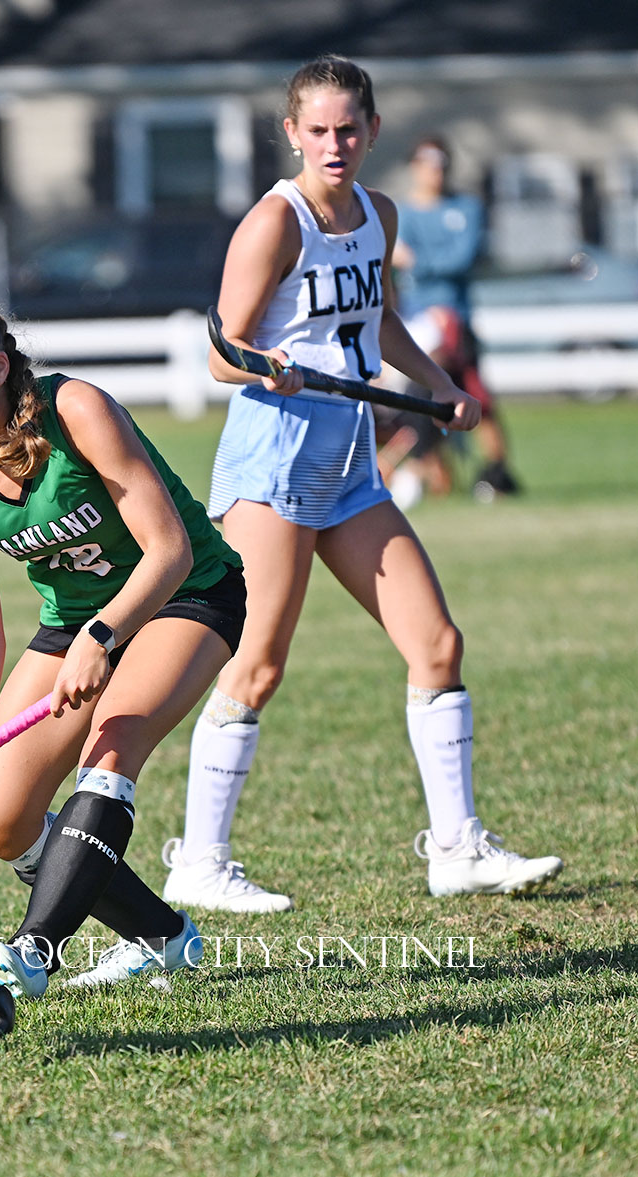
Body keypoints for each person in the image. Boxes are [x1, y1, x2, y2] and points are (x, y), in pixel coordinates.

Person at [163, 56, 562, 911]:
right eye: (318, 130)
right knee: (256, 664)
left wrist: (441, 386)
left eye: (349, 128)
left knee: (437, 644)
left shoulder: (379, 213)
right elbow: (221, 352)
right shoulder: (276, 221)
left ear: (373, 130)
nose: (334, 144)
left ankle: (456, 848)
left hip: (348, 460)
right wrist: (265, 366)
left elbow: (376, 319)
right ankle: (198, 861)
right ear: (293, 134)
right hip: (274, 461)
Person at [0, 290, 247, 997]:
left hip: (185, 594)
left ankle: (36, 948)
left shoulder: (77, 410)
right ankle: (163, 939)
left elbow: (170, 550)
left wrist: (105, 634)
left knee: (111, 744)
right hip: (75, 624)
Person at [392, 135, 521, 500]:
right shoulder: (401, 212)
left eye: (441, 164)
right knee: (423, 396)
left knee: (476, 396)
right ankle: (433, 473)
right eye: (427, 164)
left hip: (455, 322)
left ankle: (496, 470)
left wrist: (417, 262)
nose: (435, 172)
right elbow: (393, 262)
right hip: (416, 324)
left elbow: (460, 259)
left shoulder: (466, 208)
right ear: (414, 167)